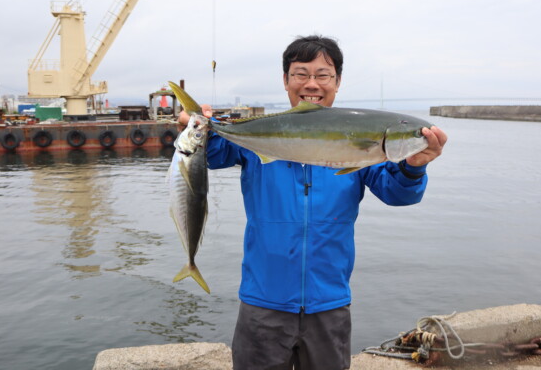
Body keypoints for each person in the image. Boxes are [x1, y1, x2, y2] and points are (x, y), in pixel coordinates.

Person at [180, 35, 447, 370]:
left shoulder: (363, 148)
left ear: (337, 82)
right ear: (285, 80)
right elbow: (214, 155)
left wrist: (414, 165)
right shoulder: (258, 135)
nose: (312, 84)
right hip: (263, 302)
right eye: (301, 74)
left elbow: (397, 194)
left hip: (329, 303)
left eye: (323, 75)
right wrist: (198, 128)